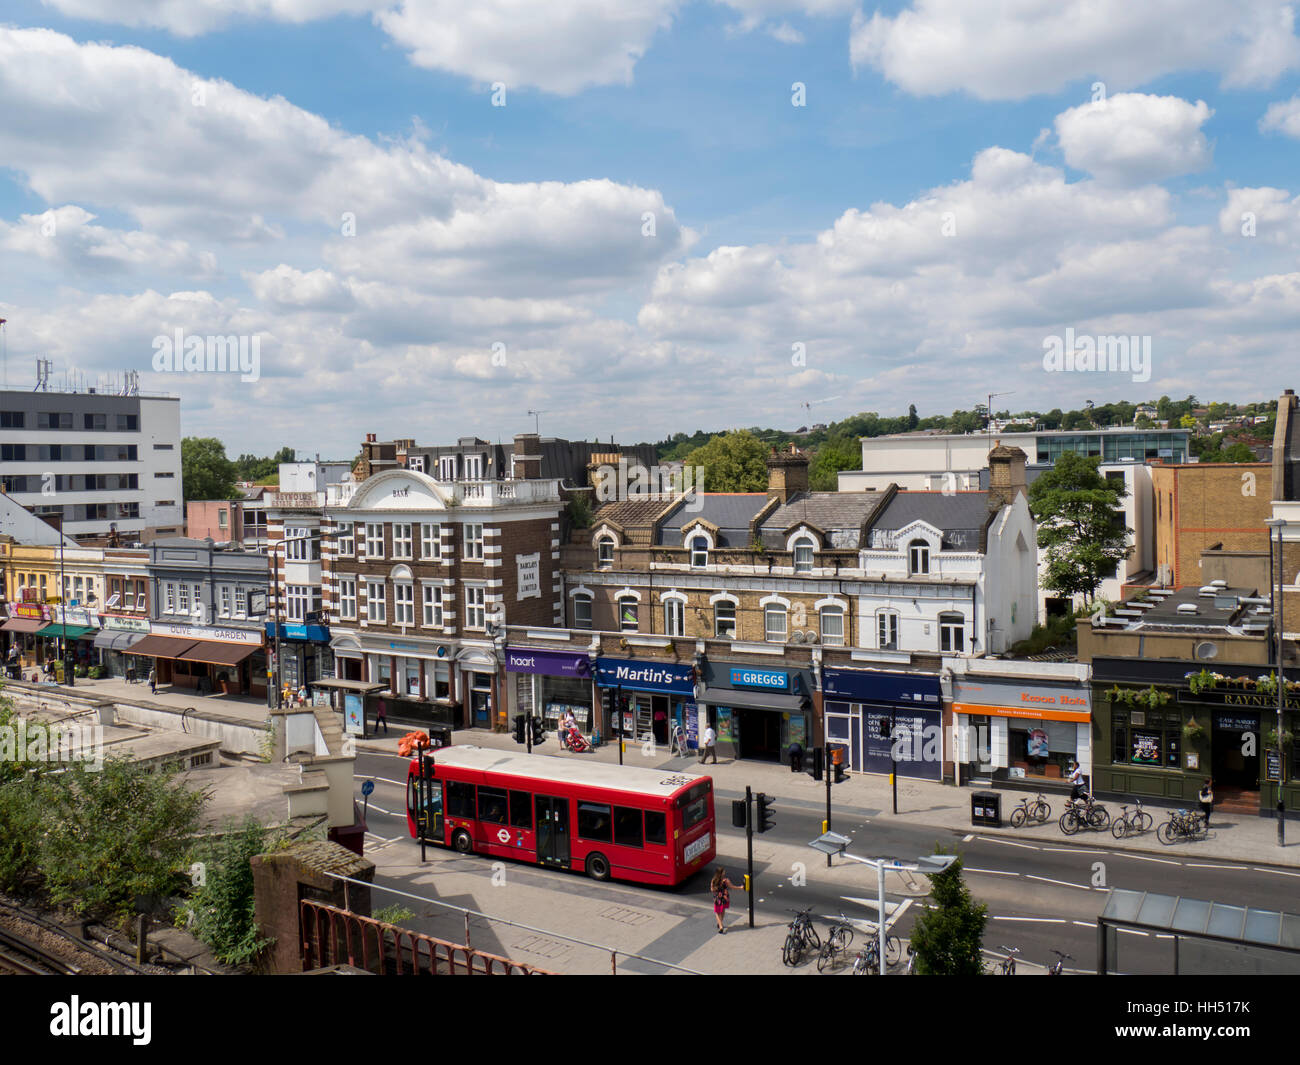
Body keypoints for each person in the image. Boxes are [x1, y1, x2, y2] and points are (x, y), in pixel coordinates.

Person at [710, 867, 742, 934]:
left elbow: (712, 889)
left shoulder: (714, 880)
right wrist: (740, 887)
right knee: (723, 910)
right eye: (724, 871)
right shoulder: (725, 880)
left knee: (717, 912)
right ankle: (720, 923)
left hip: (717, 898)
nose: (725, 872)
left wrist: (716, 890)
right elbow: (732, 887)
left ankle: (720, 925)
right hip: (725, 897)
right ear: (721, 873)